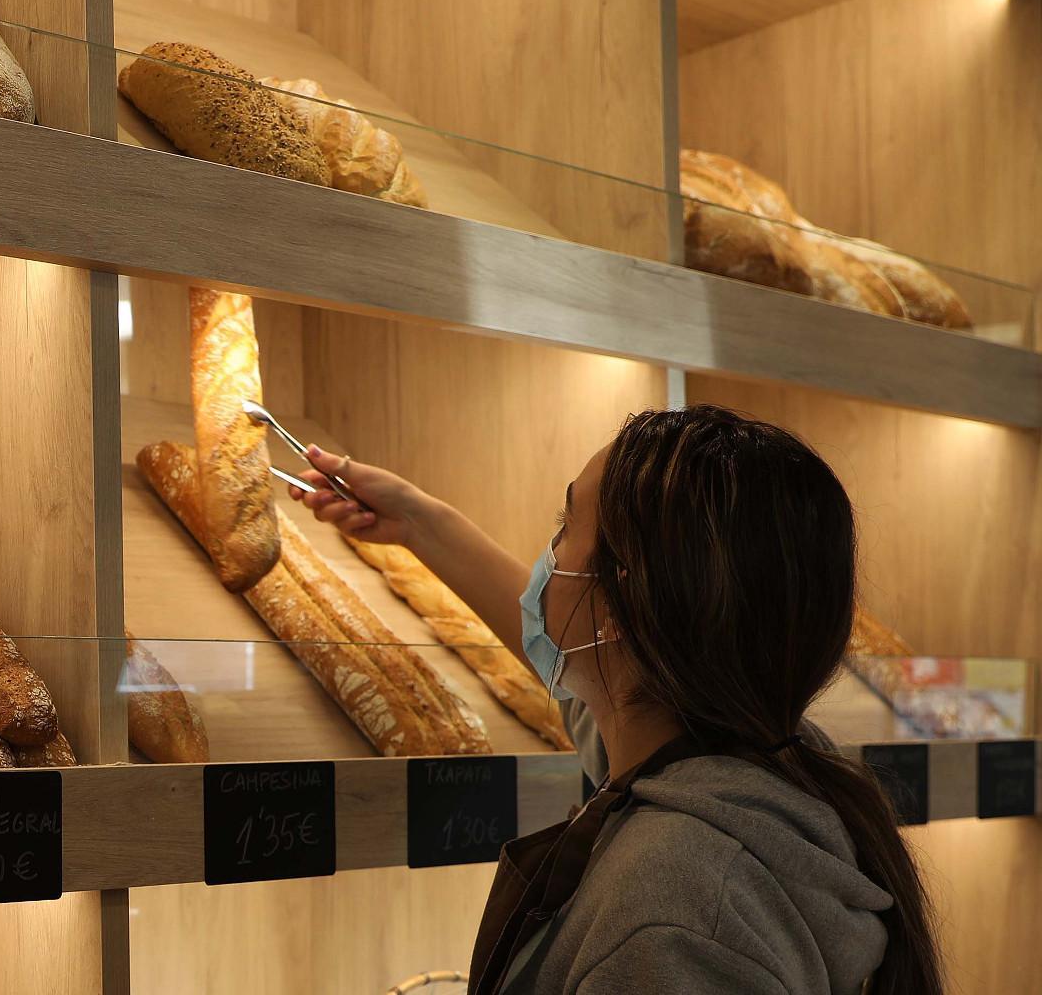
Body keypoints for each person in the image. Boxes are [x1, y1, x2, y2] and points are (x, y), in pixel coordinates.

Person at [291, 405, 941, 995]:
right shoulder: (757, 760)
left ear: (624, 601)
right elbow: (591, 662)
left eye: (565, 525)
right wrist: (421, 524)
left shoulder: (674, 913)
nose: (548, 556)